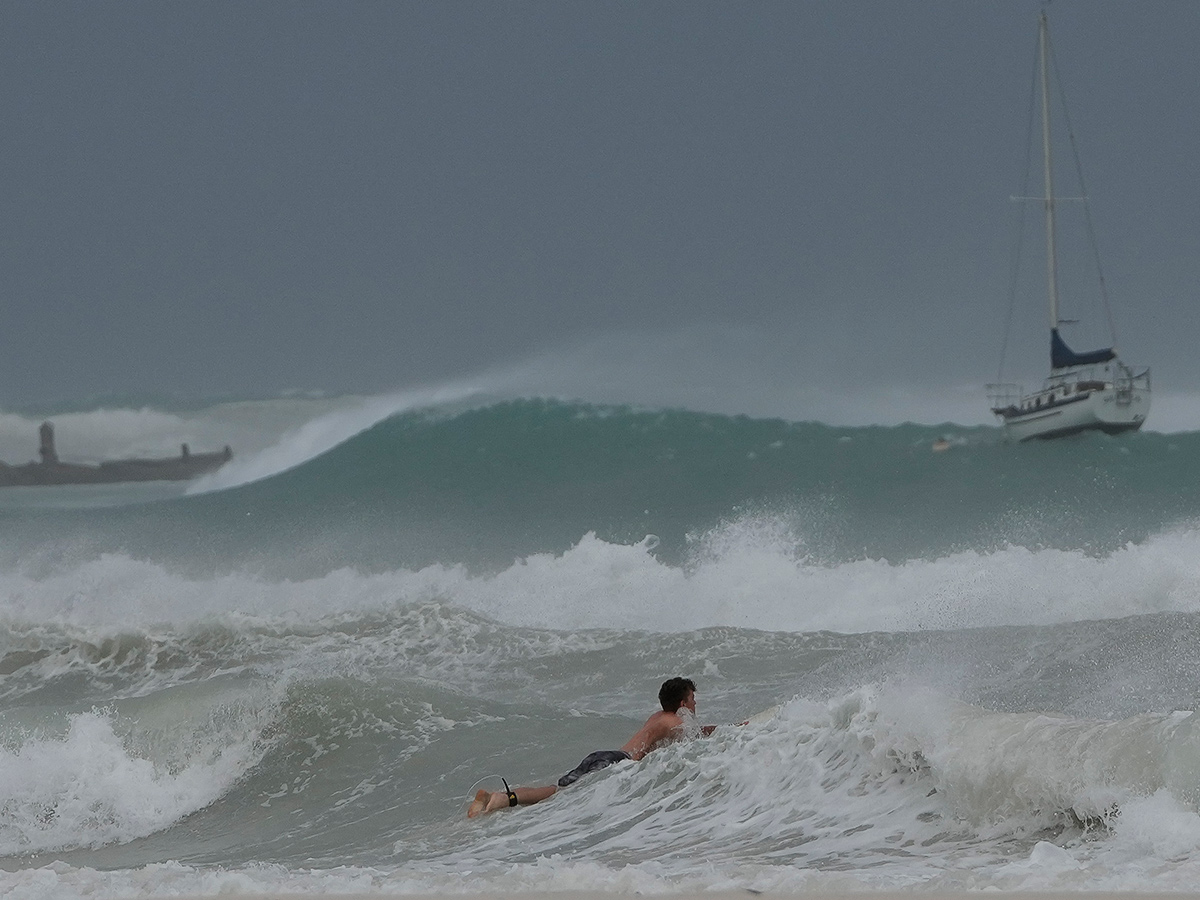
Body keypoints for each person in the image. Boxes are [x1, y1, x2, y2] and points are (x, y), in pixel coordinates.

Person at [467, 677, 719, 817]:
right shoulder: (674, 721)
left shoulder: (658, 716)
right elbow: (694, 736)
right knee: (558, 796)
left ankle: (500, 797)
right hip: (617, 763)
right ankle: (499, 800)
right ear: (683, 703)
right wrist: (731, 730)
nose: (695, 703)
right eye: (692, 699)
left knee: (557, 792)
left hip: (605, 756)